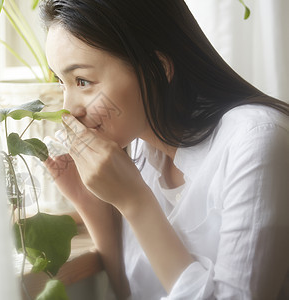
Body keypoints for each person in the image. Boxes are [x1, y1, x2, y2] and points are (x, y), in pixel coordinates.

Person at [41, 0, 289, 299]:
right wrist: (89, 202)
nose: (69, 109)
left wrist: (135, 202)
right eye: (61, 82)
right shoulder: (141, 150)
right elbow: (134, 292)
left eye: (83, 81)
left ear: (157, 68)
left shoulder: (256, 139)